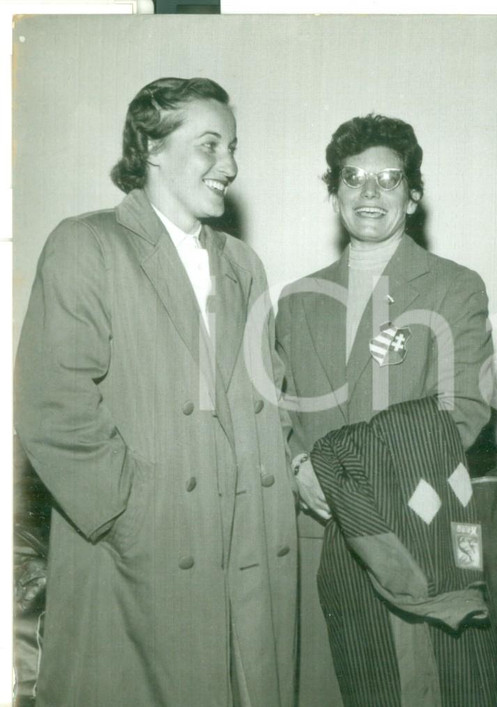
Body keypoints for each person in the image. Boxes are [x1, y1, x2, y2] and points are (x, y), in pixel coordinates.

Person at [13, 77, 297, 706]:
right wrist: (130, 515)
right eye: (210, 145)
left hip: (243, 548)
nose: (230, 164)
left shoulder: (244, 263)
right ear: (152, 148)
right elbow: (53, 408)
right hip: (140, 557)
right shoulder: (88, 244)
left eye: (232, 147)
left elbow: (267, 393)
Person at [276, 114, 497, 706]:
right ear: (334, 193)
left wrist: (359, 480)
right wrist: (298, 464)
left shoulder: (455, 286)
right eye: (353, 179)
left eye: (388, 179)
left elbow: (465, 409)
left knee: (427, 688)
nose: (369, 193)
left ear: (414, 194)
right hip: (318, 527)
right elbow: (272, 407)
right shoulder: (296, 299)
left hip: (418, 524)